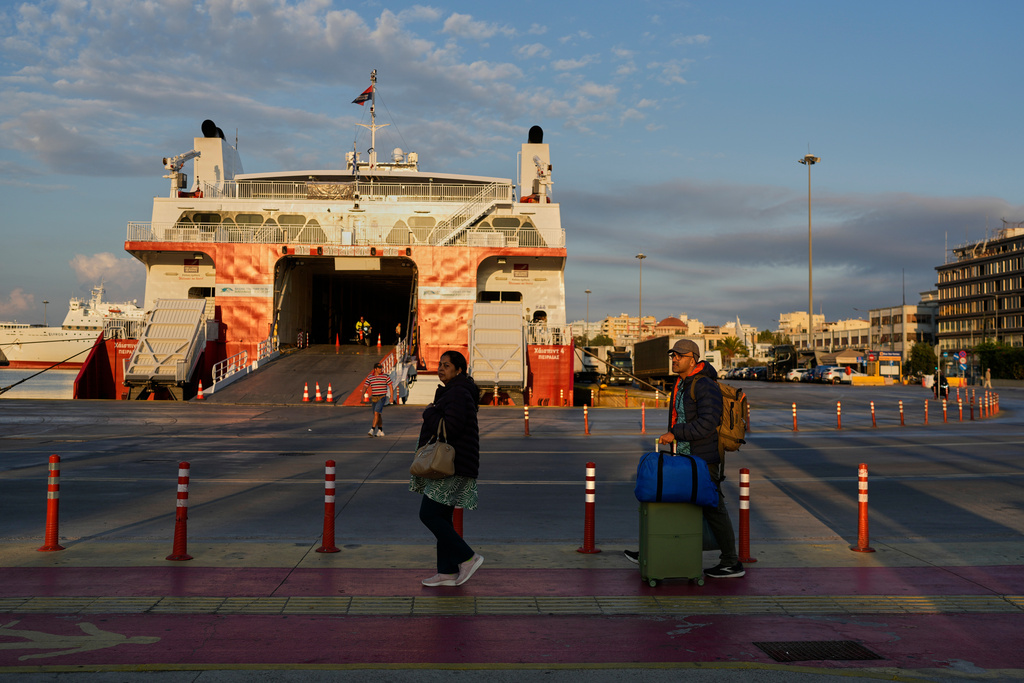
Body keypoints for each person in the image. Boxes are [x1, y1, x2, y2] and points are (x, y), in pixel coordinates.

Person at [624, 339, 745, 579]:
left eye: (680, 355)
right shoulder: (681, 383)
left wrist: (675, 433)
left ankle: (731, 562)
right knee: (672, 502)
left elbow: (708, 423)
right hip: (684, 457)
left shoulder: (704, 385)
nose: (674, 359)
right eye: (673, 355)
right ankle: (652, 549)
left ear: (693, 359)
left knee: (714, 507)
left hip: (704, 460)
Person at [410, 350, 484, 587]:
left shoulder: (458, 392)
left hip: (452, 465)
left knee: (429, 514)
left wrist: (429, 412)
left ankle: (468, 558)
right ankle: (447, 571)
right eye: (440, 364)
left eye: (447, 365)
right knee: (442, 517)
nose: (441, 369)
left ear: (459, 370)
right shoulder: (456, 390)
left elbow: (450, 427)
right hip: (455, 464)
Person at [362, 363, 395, 437]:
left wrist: (391, 397)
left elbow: (390, 386)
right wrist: (362, 395)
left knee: (376, 412)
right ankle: (380, 430)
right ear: (375, 369)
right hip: (374, 398)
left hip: (382, 397)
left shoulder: (385, 376)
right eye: (379, 368)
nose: (381, 369)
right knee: (377, 414)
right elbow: (365, 386)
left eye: (381, 368)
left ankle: (372, 429)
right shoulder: (370, 377)